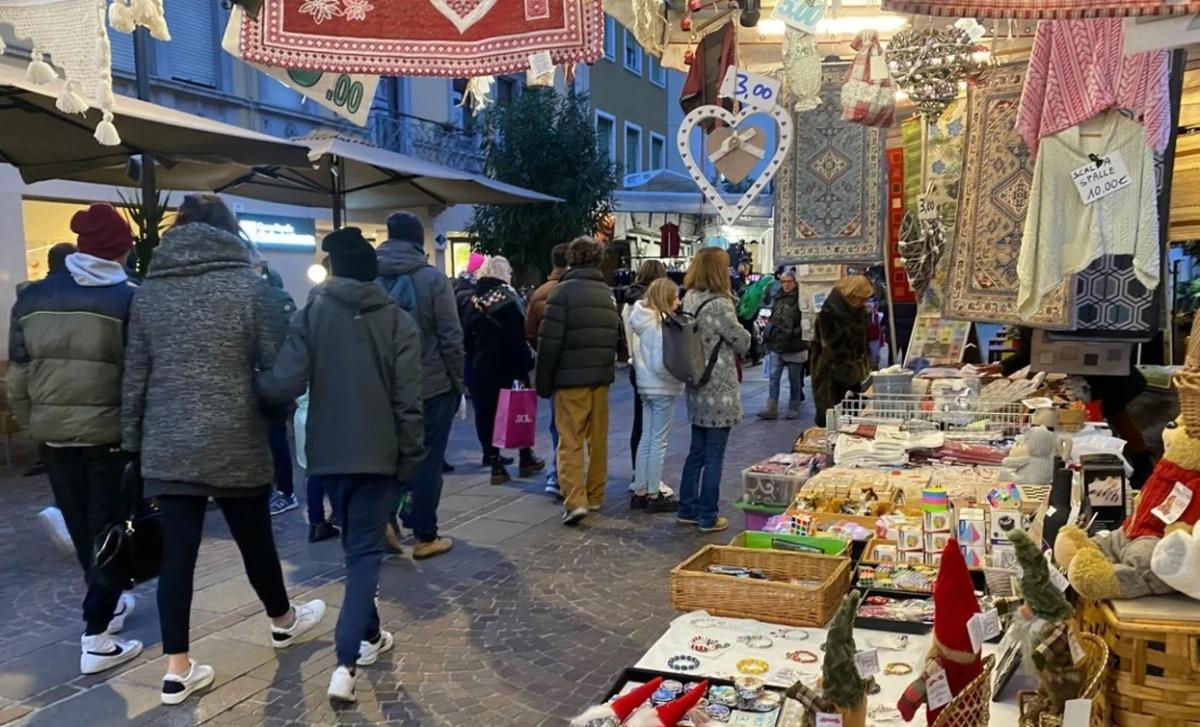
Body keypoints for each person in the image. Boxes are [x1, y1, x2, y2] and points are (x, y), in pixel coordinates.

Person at [122, 194, 326, 706]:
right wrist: (267, 408)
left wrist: (133, 444)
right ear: (230, 230)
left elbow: (135, 378)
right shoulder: (250, 288)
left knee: (177, 558)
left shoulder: (149, 292)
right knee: (255, 540)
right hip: (235, 438)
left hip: (168, 445)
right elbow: (278, 373)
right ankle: (281, 621)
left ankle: (176, 669)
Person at [256, 227, 425, 704]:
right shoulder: (397, 322)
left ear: (332, 270)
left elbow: (283, 382)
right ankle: (346, 663)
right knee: (364, 557)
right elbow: (408, 403)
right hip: (381, 455)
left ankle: (370, 637)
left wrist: (249, 383)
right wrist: (410, 461)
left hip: (327, 456)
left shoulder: (312, 314)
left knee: (357, 548)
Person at [8, 205, 142, 675]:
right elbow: (139, 376)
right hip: (110, 437)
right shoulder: (128, 299)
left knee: (85, 526)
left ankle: (109, 600)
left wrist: (35, 423)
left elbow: (18, 376)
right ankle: (96, 636)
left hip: (53, 437)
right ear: (122, 247)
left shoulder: (31, 297)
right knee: (108, 528)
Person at [376, 211, 463, 560]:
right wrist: (457, 382)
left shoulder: (369, 276)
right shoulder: (432, 279)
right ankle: (425, 535)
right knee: (427, 461)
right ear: (418, 240)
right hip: (430, 385)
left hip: (383, 386)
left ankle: (386, 520)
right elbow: (450, 337)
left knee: (389, 457)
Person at [535, 237, 621, 526]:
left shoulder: (562, 293)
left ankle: (575, 500)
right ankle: (595, 495)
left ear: (571, 259)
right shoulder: (607, 294)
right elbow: (615, 338)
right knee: (598, 440)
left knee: (569, 441)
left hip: (569, 380)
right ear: (598, 259)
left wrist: (542, 382)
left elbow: (549, 343)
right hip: (600, 378)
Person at [677, 247, 752, 533]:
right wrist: (746, 331)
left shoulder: (690, 297)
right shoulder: (720, 303)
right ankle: (708, 516)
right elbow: (741, 341)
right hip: (718, 386)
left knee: (696, 450)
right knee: (714, 455)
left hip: (696, 383)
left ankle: (687, 508)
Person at [465, 256, 543, 484]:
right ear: (504, 273)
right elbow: (518, 333)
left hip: (482, 364)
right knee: (518, 409)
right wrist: (526, 364)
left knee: (487, 412)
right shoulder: (507, 296)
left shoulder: (473, 298)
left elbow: (467, 331)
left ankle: (495, 461)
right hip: (509, 364)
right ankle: (525, 455)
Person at [248, 248, 301, 518]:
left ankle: (286, 491)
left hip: (271, 380)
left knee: (276, 436)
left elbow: (287, 340)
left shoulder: (274, 298)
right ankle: (278, 490)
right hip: (264, 379)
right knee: (271, 437)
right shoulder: (256, 296)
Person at [628, 278, 683, 513]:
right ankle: (653, 493)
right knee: (658, 441)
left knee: (646, 438)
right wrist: (677, 378)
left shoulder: (641, 320)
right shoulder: (660, 325)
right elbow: (663, 363)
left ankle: (639, 490)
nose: (679, 302)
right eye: (676, 298)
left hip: (645, 386)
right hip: (661, 387)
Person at [526, 243, 569, 497]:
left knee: (556, 424)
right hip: (577, 367)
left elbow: (529, 333)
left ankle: (556, 472)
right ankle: (567, 474)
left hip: (551, 366)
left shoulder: (539, 293)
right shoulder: (573, 290)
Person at [622, 260, 668, 477]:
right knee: (656, 429)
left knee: (639, 422)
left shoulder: (629, 302)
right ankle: (649, 477)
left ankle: (637, 470)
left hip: (635, 365)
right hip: (653, 367)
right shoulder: (654, 303)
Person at [811, 275, 874, 428]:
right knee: (833, 419)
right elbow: (833, 351)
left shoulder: (856, 311)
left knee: (851, 419)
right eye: (861, 298)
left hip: (852, 375)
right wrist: (853, 375)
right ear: (851, 294)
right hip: (832, 376)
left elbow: (862, 345)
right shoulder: (830, 312)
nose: (863, 303)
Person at [758, 270, 807, 421]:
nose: (785, 284)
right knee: (774, 377)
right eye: (783, 281)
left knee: (794, 378)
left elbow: (807, 318)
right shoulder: (777, 297)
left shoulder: (802, 297)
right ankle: (771, 407)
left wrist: (795, 331)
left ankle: (793, 407)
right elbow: (774, 316)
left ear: (795, 282)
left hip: (795, 343)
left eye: (788, 281)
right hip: (777, 342)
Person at [866, 297, 887, 369]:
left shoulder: (878, 316)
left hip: (875, 339)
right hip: (867, 339)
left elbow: (882, 326)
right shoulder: (863, 316)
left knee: (875, 356)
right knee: (869, 357)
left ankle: (875, 368)